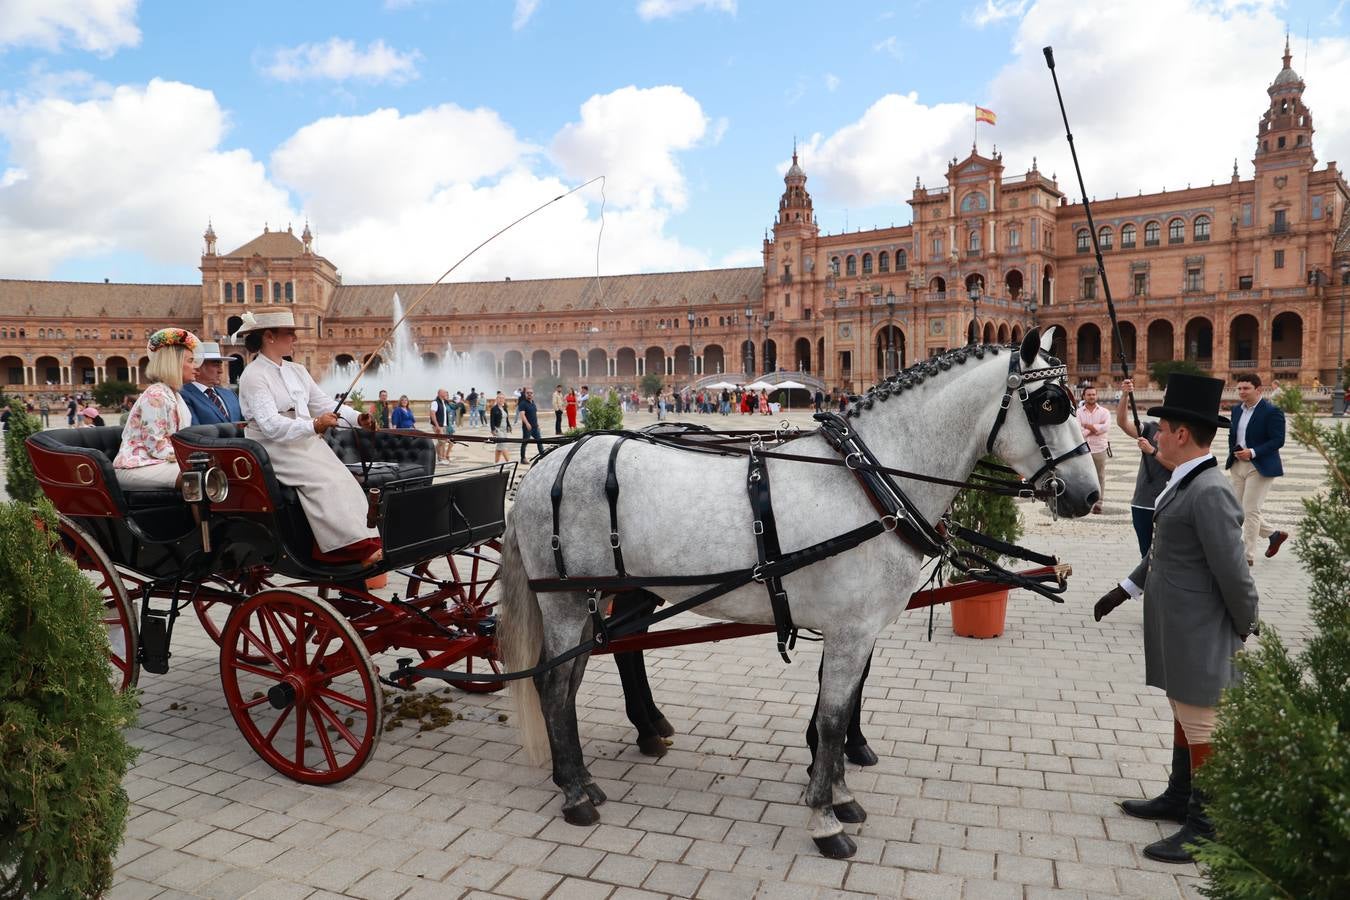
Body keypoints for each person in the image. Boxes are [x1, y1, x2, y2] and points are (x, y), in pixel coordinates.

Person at [1092, 373, 1259, 864]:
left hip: (1200, 625)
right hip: (1178, 622)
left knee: (1202, 719)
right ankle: (1179, 795)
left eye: (1161, 428)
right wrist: (1125, 589)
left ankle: (1207, 825)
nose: (1155, 435)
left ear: (1182, 434)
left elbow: (1233, 572)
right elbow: (1167, 549)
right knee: (1184, 709)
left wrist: (1245, 624)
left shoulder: (1209, 490)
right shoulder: (1183, 482)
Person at [235, 311, 381, 567]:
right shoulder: (254, 375)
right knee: (326, 482)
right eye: (289, 333)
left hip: (304, 441)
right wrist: (314, 425)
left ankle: (365, 540)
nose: (294, 338)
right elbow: (270, 425)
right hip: (273, 448)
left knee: (345, 478)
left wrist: (359, 419)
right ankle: (339, 549)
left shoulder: (297, 370)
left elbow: (324, 404)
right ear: (269, 337)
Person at [113, 328, 200, 489]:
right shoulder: (156, 395)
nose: (196, 366)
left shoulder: (175, 396)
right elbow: (155, 446)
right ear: (173, 364)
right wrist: (190, 456)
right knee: (195, 476)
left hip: (157, 462)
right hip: (135, 465)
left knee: (203, 470)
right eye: (190, 361)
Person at [1225, 374, 1288, 565]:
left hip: (1260, 465)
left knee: (1251, 510)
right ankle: (1274, 535)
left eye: (1246, 388)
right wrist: (1235, 453)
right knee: (1237, 509)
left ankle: (1247, 556)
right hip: (1237, 464)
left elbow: (1278, 440)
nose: (1242, 392)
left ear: (1258, 390)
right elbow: (1234, 435)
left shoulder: (1272, 411)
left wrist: (1252, 452)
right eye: (1240, 388)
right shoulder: (1236, 410)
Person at [1115, 378, 1172, 556]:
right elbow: (1123, 423)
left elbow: (1179, 466)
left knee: (1163, 556)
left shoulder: (1185, 434)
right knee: (1146, 555)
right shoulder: (1150, 428)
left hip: (1168, 503)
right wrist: (1125, 396)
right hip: (1143, 502)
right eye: (1166, 396)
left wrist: (1152, 451)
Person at [181, 341, 243, 426]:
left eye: (221, 366)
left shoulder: (230, 395)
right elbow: (195, 434)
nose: (221, 371)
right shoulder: (183, 395)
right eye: (216, 365)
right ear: (198, 367)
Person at [1077, 386, 1110, 514]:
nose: (1091, 396)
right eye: (1089, 394)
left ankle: (1098, 503)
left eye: (1093, 394)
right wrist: (1095, 429)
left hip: (1099, 448)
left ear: (1096, 396)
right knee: (1082, 476)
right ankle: (1083, 501)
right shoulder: (1079, 412)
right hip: (1083, 449)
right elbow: (1078, 432)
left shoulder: (1104, 412)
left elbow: (1105, 427)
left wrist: (1088, 426)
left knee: (1100, 476)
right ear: (1084, 396)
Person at [516, 388, 544, 462]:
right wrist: (527, 423)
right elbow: (522, 415)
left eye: (531, 393)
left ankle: (543, 455)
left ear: (533, 394)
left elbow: (534, 415)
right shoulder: (522, 403)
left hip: (535, 427)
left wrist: (537, 424)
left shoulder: (533, 403)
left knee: (539, 441)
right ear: (525, 394)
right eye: (528, 393)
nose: (529, 394)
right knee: (525, 442)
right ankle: (523, 458)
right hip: (527, 427)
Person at [431, 388, 453, 463]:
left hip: (443, 426)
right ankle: (439, 458)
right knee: (442, 442)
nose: (446, 394)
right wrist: (437, 426)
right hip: (438, 426)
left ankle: (441, 457)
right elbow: (432, 414)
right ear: (440, 393)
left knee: (442, 442)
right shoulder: (435, 402)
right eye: (445, 393)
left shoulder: (443, 402)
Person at [490, 392, 510, 464]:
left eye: (502, 398)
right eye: (499, 398)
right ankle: (508, 461)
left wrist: (508, 426)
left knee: (499, 446)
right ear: (497, 399)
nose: (501, 399)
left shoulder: (505, 408)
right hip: (498, 429)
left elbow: (507, 419)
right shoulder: (494, 409)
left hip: (504, 430)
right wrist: (492, 430)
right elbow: (491, 420)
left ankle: (496, 463)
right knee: (503, 443)